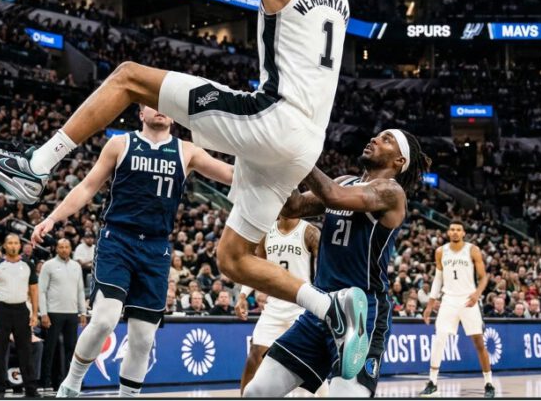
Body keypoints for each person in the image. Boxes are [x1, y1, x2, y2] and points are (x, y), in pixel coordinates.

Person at [0, 0, 363, 376]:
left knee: (130, 77)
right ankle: (331, 307)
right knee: (233, 258)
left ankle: (36, 167)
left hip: (274, 119)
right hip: (304, 144)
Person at [29, 105, 233, 397]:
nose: (161, 108)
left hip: (156, 248)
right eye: (153, 102)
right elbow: (87, 187)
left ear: (174, 116)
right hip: (118, 240)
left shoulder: (187, 151)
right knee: (104, 320)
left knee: (142, 338)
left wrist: (273, 168)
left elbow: (230, 174)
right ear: (140, 113)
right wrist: (52, 218)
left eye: (167, 105)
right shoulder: (120, 143)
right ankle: (71, 385)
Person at [244, 129, 430, 398]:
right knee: (257, 392)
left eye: (386, 139)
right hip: (321, 307)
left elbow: (333, 196)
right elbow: (293, 207)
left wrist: (295, 149)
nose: (374, 138)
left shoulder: (391, 192)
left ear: (399, 162)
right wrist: (275, 165)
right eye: (376, 135)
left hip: (362, 311)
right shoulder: (346, 180)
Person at [236, 216, 319, 393]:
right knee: (255, 356)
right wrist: (243, 294)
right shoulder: (267, 233)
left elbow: (323, 271)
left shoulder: (310, 232)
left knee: (314, 366)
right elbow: (256, 267)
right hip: (273, 307)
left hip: (301, 307)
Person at [419, 220, 495, 398]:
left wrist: (477, 294)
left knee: (478, 342)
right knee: (439, 339)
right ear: (448, 232)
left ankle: (489, 383)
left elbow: (484, 277)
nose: (454, 232)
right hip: (448, 300)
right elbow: (438, 280)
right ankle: (432, 382)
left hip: (468, 299)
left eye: (458, 230)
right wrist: (430, 305)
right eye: (452, 229)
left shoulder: (472, 250)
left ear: (463, 233)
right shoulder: (440, 251)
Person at [0, 234, 40, 397]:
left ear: (20, 246)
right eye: (10, 243)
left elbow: (34, 290)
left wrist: (35, 313)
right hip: (1, 310)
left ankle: (30, 387)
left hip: (22, 310)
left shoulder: (28, 264)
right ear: (5, 246)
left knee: (26, 350)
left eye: (16, 243)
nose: (13, 246)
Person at [38, 238, 88, 391]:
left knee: (71, 349)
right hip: (53, 313)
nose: (64, 249)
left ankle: (70, 381)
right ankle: (46, 382)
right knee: (50, 348)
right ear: (56, 249)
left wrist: (83, 312)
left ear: (70, 248)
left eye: (67, 247)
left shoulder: (76, 266)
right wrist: (44, 313)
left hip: (72, 313)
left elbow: (80, 290)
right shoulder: (48, 265)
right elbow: (41, 291)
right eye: (61, 247)